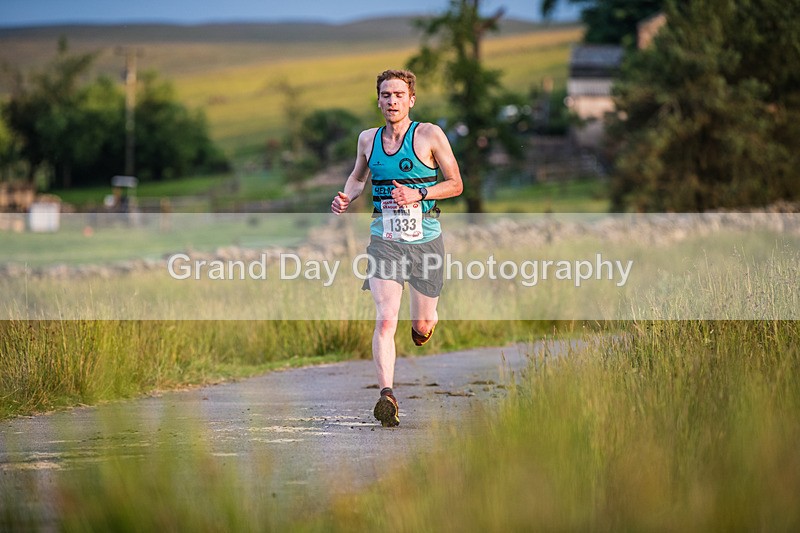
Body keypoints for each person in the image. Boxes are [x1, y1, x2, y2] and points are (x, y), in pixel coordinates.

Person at [331, 69, 463, 427]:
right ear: (378, 100)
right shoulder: (367, 139)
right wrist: (347, 196)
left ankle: (422, 328)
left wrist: (418, 193)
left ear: (411, 100)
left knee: (421, 324)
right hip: (384, 241)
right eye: (386, 95)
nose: (392, 101)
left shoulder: (429, 135)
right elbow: (359, 177)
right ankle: (386, 394)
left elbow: (455, 184)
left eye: (399, 95)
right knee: (386, 317)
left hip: (425, 240)